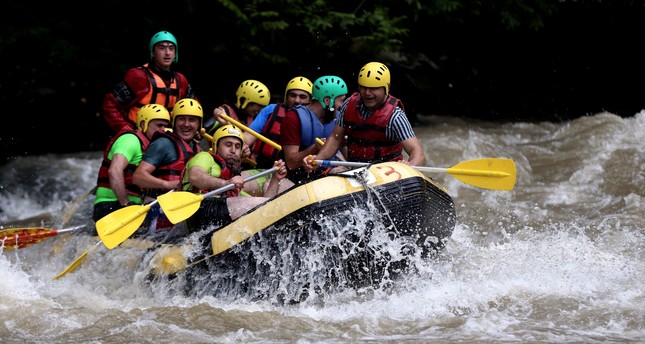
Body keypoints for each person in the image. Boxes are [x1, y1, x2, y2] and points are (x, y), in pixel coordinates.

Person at [303, 62, 425, 172]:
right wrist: (318, 160)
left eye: (373, 88)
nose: (367, 93)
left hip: (386, 173)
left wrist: (409, 166)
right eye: (363, 87)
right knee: (335, 172)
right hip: (355, 169)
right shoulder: (348, 105)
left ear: (386, 88)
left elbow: (417, 152)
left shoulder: (395, 116)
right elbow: (335, 139)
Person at [183, 124, 293, 230]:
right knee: (261, 205)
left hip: (221, 212)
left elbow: (265, 204)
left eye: (237, 146)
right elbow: (195, 176)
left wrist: (275, 179)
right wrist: (226, 183)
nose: (233, 150)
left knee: (264, 206)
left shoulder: (233, 176)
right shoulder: (205, 157)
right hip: (199, 209)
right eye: (228, 145)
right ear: (216, 146)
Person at [102, 31, 197, 133]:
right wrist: (125, 129)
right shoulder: (138, 77)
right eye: (161, 48)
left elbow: (194, 109)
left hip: (169, 136)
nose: (167, 52)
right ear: (153, 52)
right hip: (138, 134)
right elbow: (110, 105)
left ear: (175, 53)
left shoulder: (181, 80)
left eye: (171, 48)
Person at [132, 98, 203, 234]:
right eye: (182, 119)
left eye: (192, 120)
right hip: (158, 207)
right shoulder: (163, 144)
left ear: (199, 124)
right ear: (174, 121)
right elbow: (138, 177)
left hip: (183, 207)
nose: (186, 124)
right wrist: (167, 184)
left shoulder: (198, 150)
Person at [92, 104, 171, 227]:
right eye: (159, 125)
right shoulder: (130, 140)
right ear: (144, 124)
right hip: (111, 204)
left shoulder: (153, 147)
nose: (163, 130)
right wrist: (125, 203)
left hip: (135, 208)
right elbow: (114, 170)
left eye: (165, 126)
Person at [280, 75, 348, 183]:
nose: (342, 105)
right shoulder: (293, 118)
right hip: (299, 179)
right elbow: (291, 163)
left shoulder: (339, 117)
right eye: (341, 100)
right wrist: (314, 148)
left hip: (332, 172)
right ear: (327, 100)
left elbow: (345, 151)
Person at [245, 76, 314, 169]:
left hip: (297, 171)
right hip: (266, 168)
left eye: (302, 97)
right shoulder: (271, 110)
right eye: (293, 95)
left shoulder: (315, 119)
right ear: (286, 97)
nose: (297, 100)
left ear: (310, 100)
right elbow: (248, 138)